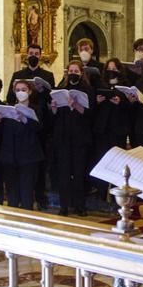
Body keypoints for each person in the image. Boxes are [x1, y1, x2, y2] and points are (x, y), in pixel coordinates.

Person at [51, 61, 95, 215]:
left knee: (79, 173)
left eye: (76, 71)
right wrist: (54, 109)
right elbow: (54, 117)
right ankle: (64, 206)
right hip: (63, 137)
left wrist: (76, 105)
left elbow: (91, 114)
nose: (73, 73)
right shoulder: (60, 88)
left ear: (81, 73)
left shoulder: (88, 90)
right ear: (67, 72)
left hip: (80, 137)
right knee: (63, 173)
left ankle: (79, 206)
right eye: (71, 70)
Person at [0, 79, 47, 209]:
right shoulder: (8, 108)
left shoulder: (36, 109)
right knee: (11, 194)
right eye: (18, 90)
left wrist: (25, 119)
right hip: (10, 156)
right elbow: (0, 133)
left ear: (30, 92)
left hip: (29, 156)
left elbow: (40, 129)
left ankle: (27, 218)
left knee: (27, 193)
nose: (20, 93)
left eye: (23, 90)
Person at [91, 59, 132, 203]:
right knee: (102, 160)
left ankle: (116, 195)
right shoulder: (100, 85)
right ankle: (101, 193)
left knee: (117, 162)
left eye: (115, 68)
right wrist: (98, 101)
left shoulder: (125, 86)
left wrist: (121, 102)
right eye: (109, 68)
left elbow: (131, 108)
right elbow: (92, 107)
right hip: (102, 128)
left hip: (118, 129)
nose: (111, 70)